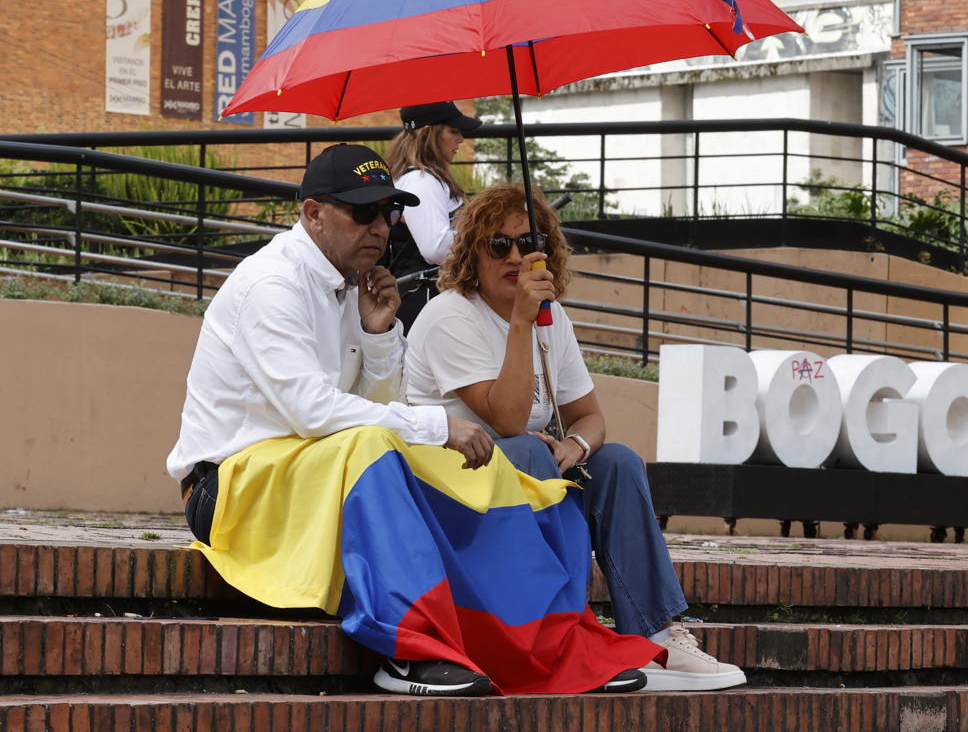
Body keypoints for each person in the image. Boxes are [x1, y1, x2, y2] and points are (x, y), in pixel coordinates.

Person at [167, 145, 660, 697]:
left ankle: (538, 642)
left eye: (390, 213)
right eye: (363, 212)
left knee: (455, 464)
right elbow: (313, 412)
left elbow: (371, 402)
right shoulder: (272, 285)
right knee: (395, 448)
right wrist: (436, 427)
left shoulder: (352, 285)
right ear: (311, 214)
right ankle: (406, 650)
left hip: (306, 477)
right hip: (229, 490)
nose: (380, 227)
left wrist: (378, 337)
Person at [405, 183, 747, 693]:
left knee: (617, 463)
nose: (515, 256)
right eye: (498, 245)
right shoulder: (449, 316)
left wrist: (576, 447)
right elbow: (507, 421)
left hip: (525, 480)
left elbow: (590, 417)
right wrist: (522, 321)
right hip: (452, 497)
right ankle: (559, 632)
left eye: (527, 242)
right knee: (526, 452)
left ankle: (657, 635)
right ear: (473, 253)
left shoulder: (552, 317)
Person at [381, 102, 480, 332]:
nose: (461, 139)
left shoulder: (414, 176)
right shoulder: (422, 181)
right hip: (423, 298)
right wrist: (484, 234)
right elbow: (434, 248)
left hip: (419, 295)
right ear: (428, 132)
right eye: (453, 131)